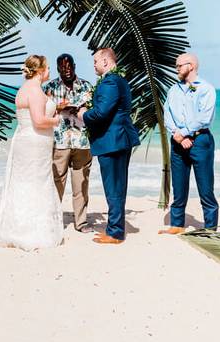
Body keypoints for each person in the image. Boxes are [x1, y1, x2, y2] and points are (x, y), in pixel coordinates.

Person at [0, 55, 62, 250]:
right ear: (40, 71)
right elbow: (39, 121)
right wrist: (56, 120)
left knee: (22, 180)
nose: (49, 72)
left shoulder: (23, 89)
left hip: (24, 139)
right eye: (47, 68)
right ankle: (33, 229)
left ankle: (16, 225)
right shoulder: (36, 91)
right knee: (37, 181)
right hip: (36, 141)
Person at [77, 48, 140, 244]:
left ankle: (114, 232)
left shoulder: (110, 81)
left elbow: (102, 113)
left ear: (105, 61)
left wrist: (83, 115)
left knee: (113, 187)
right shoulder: (120, 80)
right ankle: (115, 228)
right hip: (119, 139)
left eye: (96, 61)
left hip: (113, 141)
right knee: (117, 186)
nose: (94, 64)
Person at [159, 53, 219, 235]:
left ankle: (210, 228)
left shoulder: (206, 89)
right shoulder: (173, 90)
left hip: (201, 141)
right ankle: (177, 224)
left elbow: (204, 117)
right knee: (179, 185)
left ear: (191, 66)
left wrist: (185, 133)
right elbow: (166, 114)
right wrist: (177, 136)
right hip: (177, 141)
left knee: (205, 187)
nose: (176, 69)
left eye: (179, 66)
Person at [44, 54, 94, 233]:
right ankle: (54, 221)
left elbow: (95, 110)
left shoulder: (87, 86)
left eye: (69, 66)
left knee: (81, 184)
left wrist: (82, 109)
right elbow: (42, 112)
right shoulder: (50, 87)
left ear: (74, 65)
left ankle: (81, 222)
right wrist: (59, 108)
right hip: (60, 141)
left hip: (82, 140)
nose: (66, 70)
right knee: (57, 182)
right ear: (58, 69)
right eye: (62, 67)